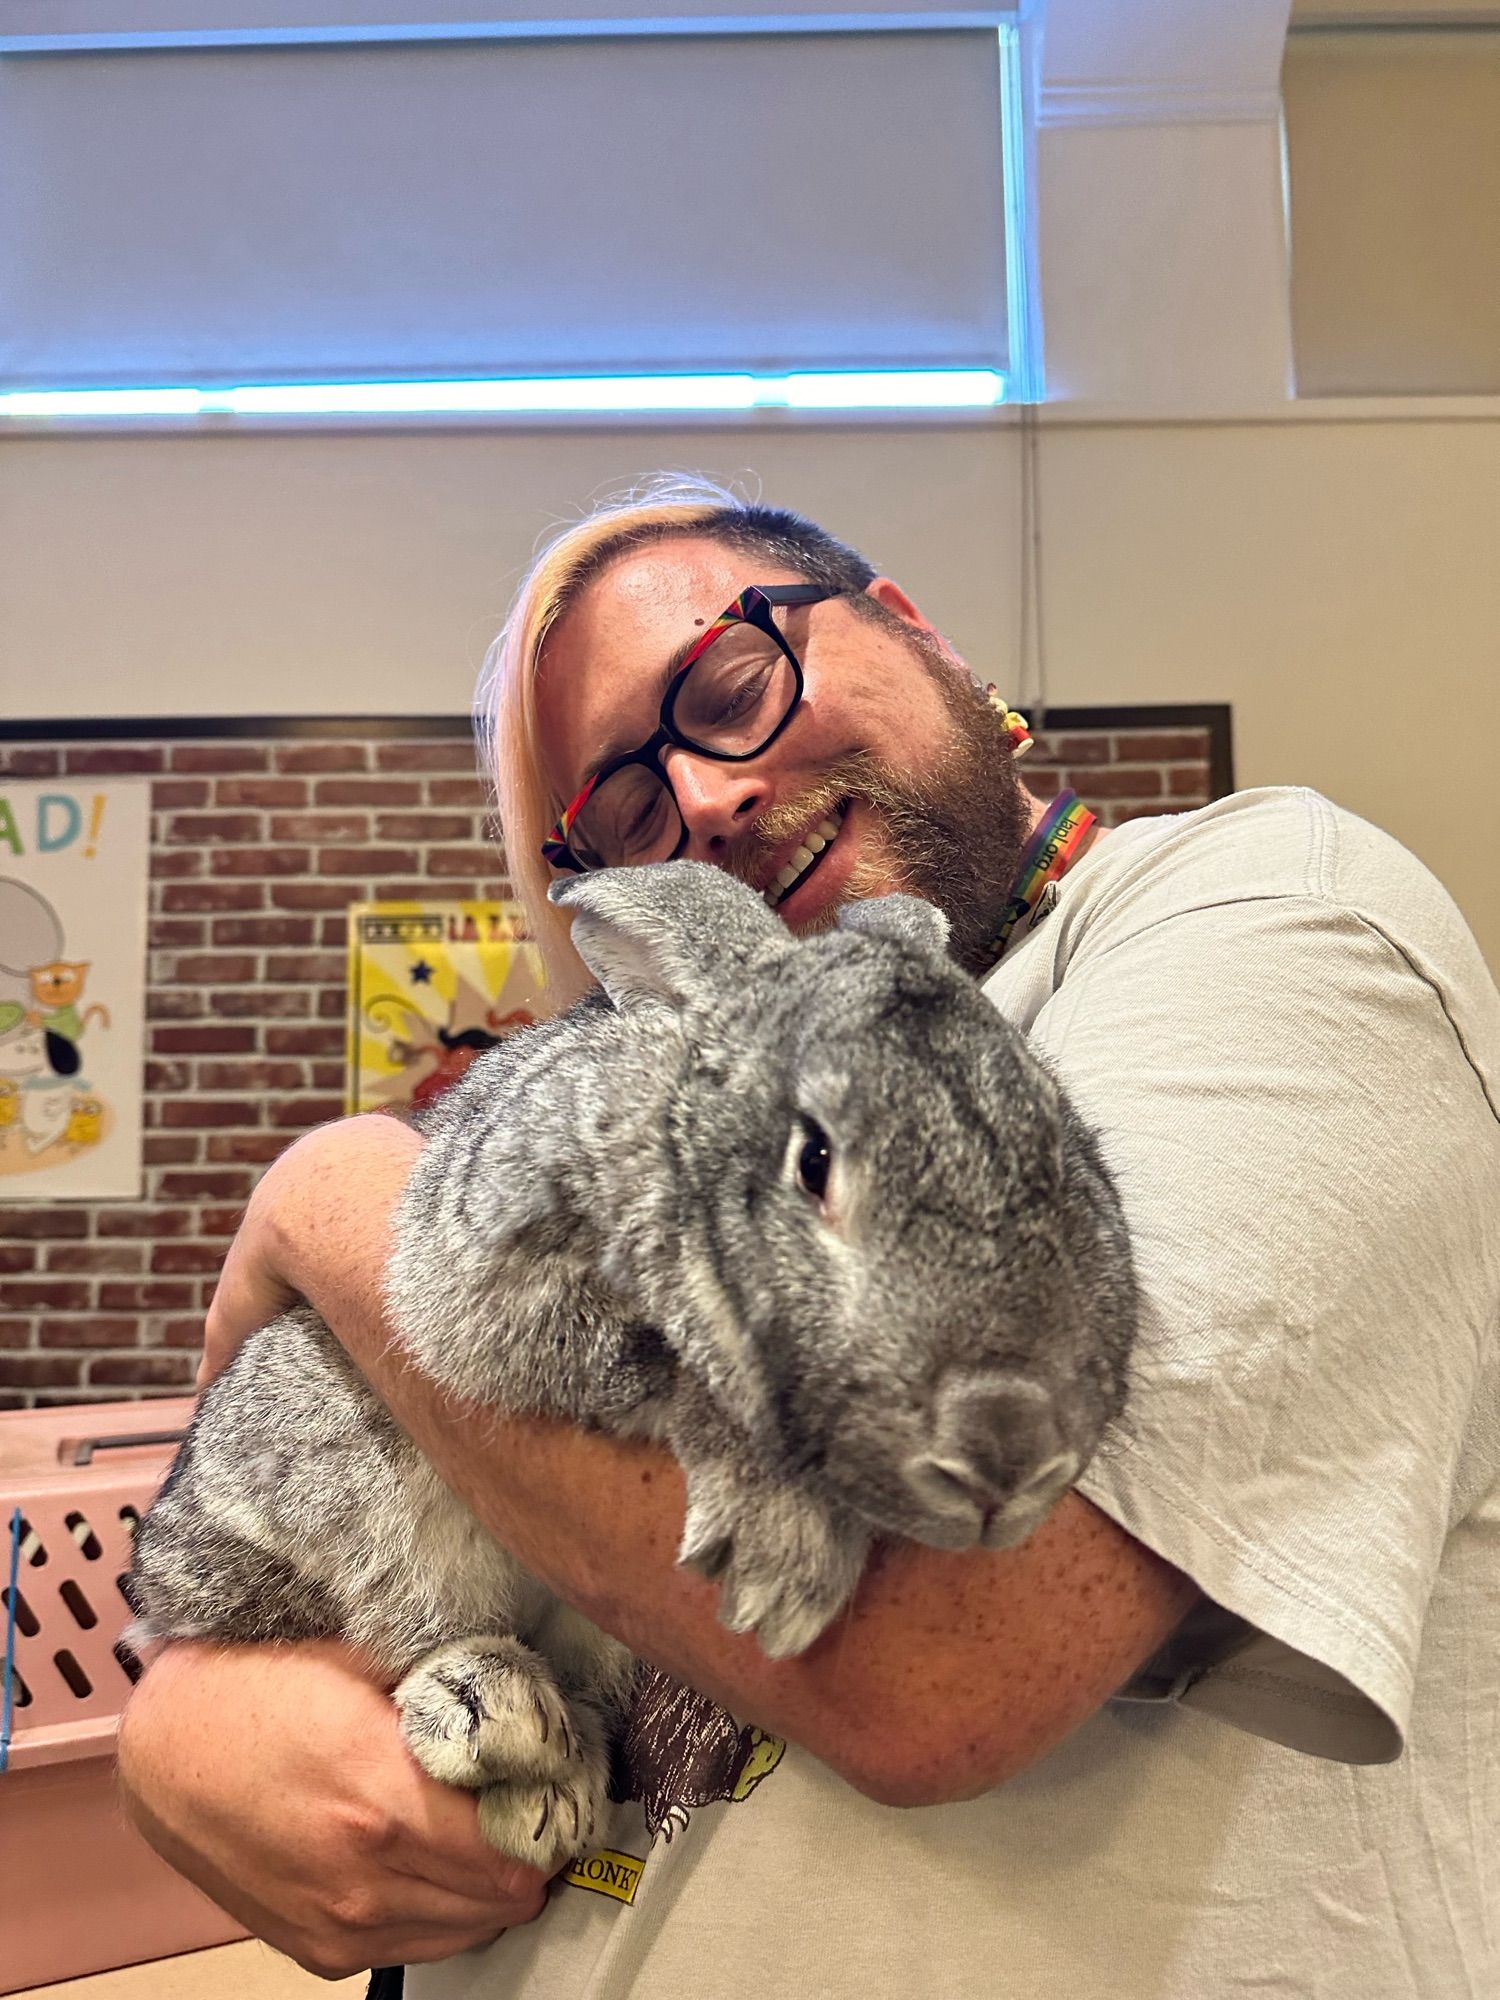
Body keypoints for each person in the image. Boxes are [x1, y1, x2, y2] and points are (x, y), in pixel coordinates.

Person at [118, 482, 1500, 1999]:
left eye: (728, 685)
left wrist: (331, 1196)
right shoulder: (652, 1117)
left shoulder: (1261, 912)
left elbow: (946, 1668)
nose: (704, 800)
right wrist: (187, 1721)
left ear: (913, 631)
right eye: (629, 813)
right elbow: (350, 1516)